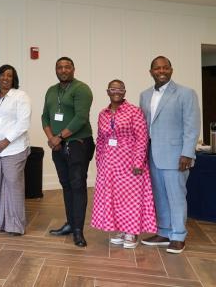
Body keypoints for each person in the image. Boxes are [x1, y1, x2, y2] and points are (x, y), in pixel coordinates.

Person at [139, 56, 200, 254]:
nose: (161, 71)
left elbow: (192, 126)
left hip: (176, 156)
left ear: (171, 70)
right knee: (159, 196)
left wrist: (187, 153)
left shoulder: (186, 93)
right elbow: (143, 127)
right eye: (157, 68)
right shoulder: (145, 95)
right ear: (151, 72)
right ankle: (164, 232)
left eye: (165, 67)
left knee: (176, 196)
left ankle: (178, 235)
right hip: (152, 155)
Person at [91, 80, 156, 248]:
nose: (116, 92)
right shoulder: (103, 114)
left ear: (125, 91)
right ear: (107, 92)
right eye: (112, 89)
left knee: (131, 199)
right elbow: (100, 139)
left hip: (130, 163)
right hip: (109, 165)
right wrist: (100, 162)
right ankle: (122, 229)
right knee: (115, 198)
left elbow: (142, 138)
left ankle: (132, 233)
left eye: (120, 89)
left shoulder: (134, 111)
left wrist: (138, 163)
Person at [42, 57, 94, 247]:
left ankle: (79, 230)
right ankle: (70, 224)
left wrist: (60, 137)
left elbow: (81, 118)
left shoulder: (81, 89)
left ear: (73, 69)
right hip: (57, 145)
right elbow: (45, 116)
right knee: (66, 185)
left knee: (77, 185)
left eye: (67, 67)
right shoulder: (51, 90)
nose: (63, 70)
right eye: (59, 67)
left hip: (78, 144)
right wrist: (51, 138)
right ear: (55, 70)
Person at [0, 65, 31, 236]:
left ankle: (16, 226)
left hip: (14, 149)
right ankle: (1, 223)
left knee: (14, 186)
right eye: (2, 75)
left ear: (14, 79)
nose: (5, 78)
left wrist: (6, 140)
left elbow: (23, 123)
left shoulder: (21, 96)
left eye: (9, 76)